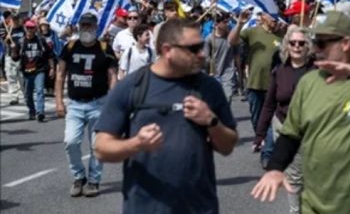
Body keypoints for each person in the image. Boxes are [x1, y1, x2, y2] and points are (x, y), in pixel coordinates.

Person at [251, 11, 350, 213]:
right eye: (314, 42)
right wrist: (275, 168)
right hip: (315, 206)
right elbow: (290, 134)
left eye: (322, 43)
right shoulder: (309, 82)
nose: (315, 49)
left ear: (345, 44)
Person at [94, 18, 238, 213]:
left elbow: (228, 146)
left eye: (202, 46)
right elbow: (101, 148)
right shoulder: (132, 86)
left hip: (199, 207)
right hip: (145, 207)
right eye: (193, 49)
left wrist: (211, 121)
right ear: (167, 50)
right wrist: (136, 144)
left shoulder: (209, 87)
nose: (202, 54)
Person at [55, 13, 118, 197]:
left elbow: (113, 76)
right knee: (70, 141)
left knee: (97, 146)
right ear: (79, 27)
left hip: (99, 103)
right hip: (75, 104)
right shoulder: (70, 47)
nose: (86, 28)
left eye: (90, 25)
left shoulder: (105, 48)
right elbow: (60, 75)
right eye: (83, 25)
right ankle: (79, 176)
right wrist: (59, 101)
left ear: (96, 27)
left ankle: (93, 181)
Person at [254, 26, 314, 214]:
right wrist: (260, 134)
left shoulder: (317, 71)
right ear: (286, 45)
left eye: (301, 43)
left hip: (311, 128)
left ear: (308, 47)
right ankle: (295, 211)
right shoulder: (279, 71)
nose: (297, 46)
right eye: (293, 43)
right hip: (285, 127)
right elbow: (269, 104)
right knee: (294, 176)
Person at [228, 9, 281, 161]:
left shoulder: (282, 35)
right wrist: (239, 24)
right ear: (263, 17)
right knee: (257, 118)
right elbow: (231, 41)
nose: (275, 19)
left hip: (275, 86)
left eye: (277, 16)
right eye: (272, 16)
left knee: (273, 120)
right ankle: (261, 138)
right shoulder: (252, 32)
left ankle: (267, 150)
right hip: (256, 84)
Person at [18, 19, 55, 121]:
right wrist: (13, 49)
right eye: (27, 28)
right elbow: (15, 57)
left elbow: (49, 55)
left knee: (40, 90)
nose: (29, 30)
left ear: (35, 29)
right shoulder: (21, 42)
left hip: (39, 69)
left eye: (31, 28)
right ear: (25, 29)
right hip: (26, 71)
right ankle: (32, 111)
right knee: (28, 93)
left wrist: (52, 68)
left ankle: (40, 112)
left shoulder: (41, 40)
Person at [203, 13, 238, 102]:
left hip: (228, 73)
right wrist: (208, 72)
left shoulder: (231, 37)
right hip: (214, 74)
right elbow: (206, 58)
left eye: (228, 21)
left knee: (227, 98)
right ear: (216, 24)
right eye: (225, 22)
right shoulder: (209, 39)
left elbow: (236, 53)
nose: (228, 23)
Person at [1, 12, 25, 105]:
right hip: (10, 56)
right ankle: (14, 97)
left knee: (22, 77)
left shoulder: (23, 29)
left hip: (21, 57)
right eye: (13, 19)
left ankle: (26, 94)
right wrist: (7, 39)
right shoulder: (7, 30)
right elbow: (4, 43)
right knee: (11, 77)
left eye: (16, 19)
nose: (15, 21)